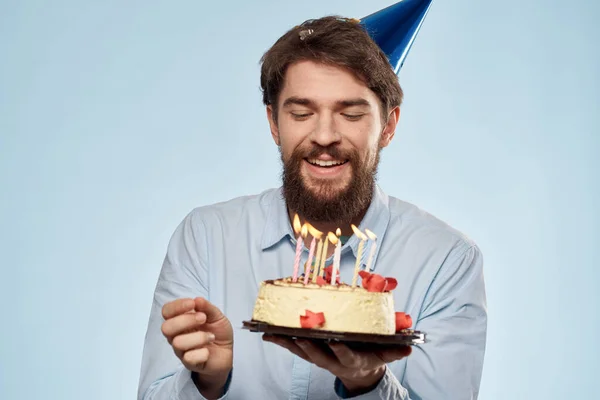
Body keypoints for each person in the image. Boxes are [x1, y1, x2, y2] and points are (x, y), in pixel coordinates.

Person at [138, 5, 487, 400]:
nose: (324, 135)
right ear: (274, 123)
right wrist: (208, 381)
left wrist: (367, 383)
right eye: (302, 113)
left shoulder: (446, 259)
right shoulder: (205, 237)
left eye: (351, 114)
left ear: (388, 126)